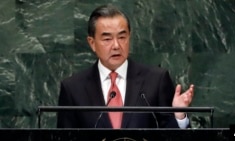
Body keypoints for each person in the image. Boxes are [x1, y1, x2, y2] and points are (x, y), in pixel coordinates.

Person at [57, 4, 194, 129]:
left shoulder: (156, 80)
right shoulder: (73, 89)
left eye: (122, 37)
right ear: (92, 43)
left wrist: (179, 116)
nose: (116, 46)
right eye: (107, 39)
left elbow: (169, 135)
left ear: (130, 37)